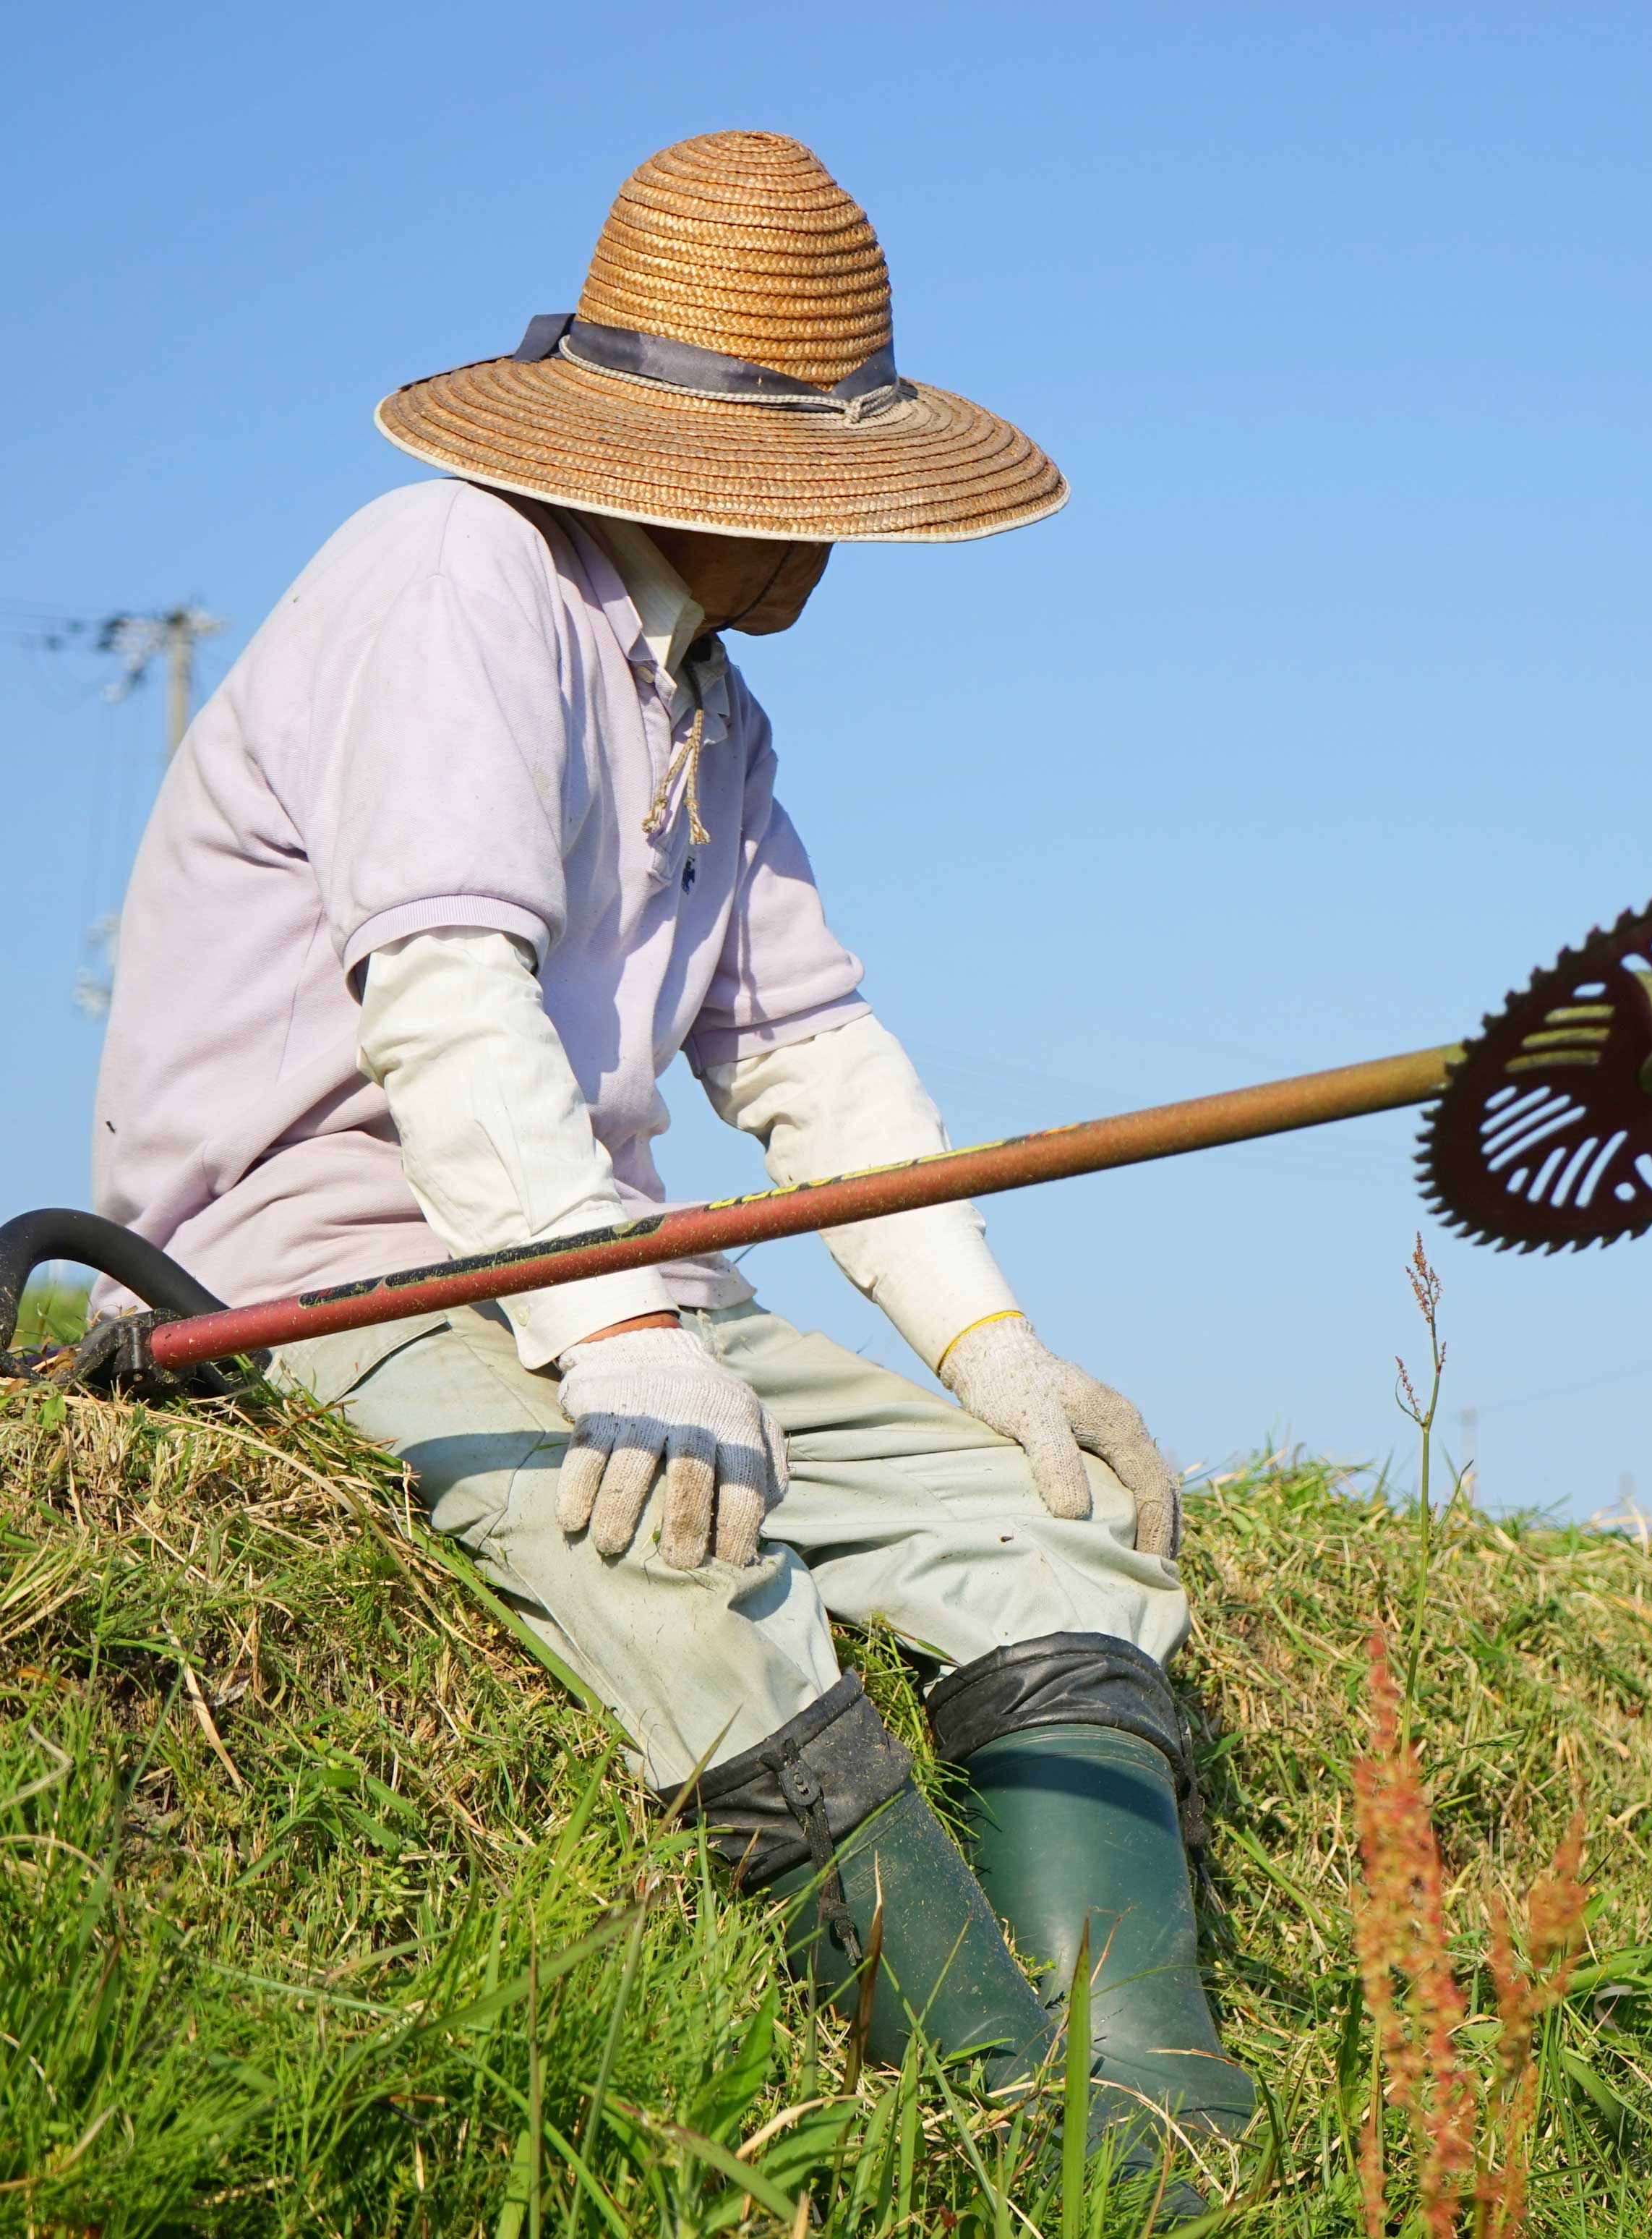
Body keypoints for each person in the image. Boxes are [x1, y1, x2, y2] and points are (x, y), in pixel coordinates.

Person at [90, 129, 1253, 2188]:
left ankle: (1162, 2116)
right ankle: (1020, 2132)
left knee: (1048, 1535)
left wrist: (992, 1349)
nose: (839, 543)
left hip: (600, 1269)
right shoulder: (448, 579)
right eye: (812, 491)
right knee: (694, 1579)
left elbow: (806, 1045)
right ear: (685, 463)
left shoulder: (709, 702)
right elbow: (444, 993)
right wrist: (618, 1333)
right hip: (325, 1263)